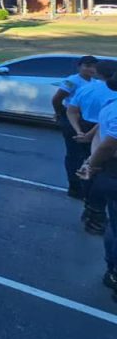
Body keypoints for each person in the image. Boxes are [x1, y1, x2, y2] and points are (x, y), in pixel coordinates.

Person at [75, 79, 117, 300]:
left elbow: (102, 138)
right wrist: (92, 164)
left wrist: (91, 163)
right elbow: (109, 144)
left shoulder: (110, 106)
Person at [66, 60, 117, 234]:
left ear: (97, 72)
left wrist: (81, 133)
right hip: (107, 149)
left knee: (86, 172)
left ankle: (91, 212)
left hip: (91, 130)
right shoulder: (112, 103)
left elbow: (72, 110)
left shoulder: (87, 90)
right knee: (100, 180)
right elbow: (108, 143)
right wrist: (94, 162)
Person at [53, 55, 99, 198]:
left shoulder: (95, 81)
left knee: (89, 154)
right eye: (87, 66)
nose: (90, 69)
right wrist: (61, 114)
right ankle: (74, 187)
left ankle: (86, 184)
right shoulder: (72, 81)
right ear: (79, 66)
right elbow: (57, 99)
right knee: (74, 155)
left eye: (93, 66)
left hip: (86, 120)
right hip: (72, 117)